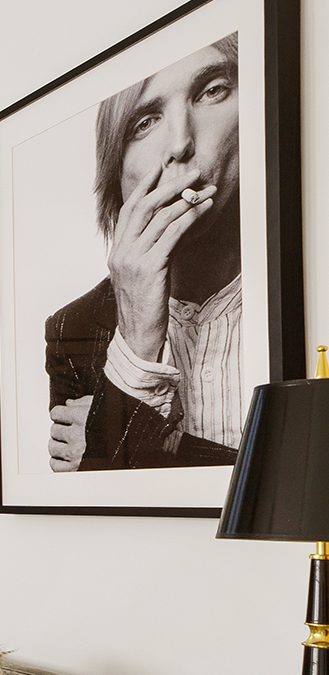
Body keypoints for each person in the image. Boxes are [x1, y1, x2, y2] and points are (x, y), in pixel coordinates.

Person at [46, 35, 241, 472]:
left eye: (212, 92)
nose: (179, 143)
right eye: (145, 122)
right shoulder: (72, 328)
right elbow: (99, 511)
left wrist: (147, 446)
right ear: (116, 171)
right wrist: (135, 341)